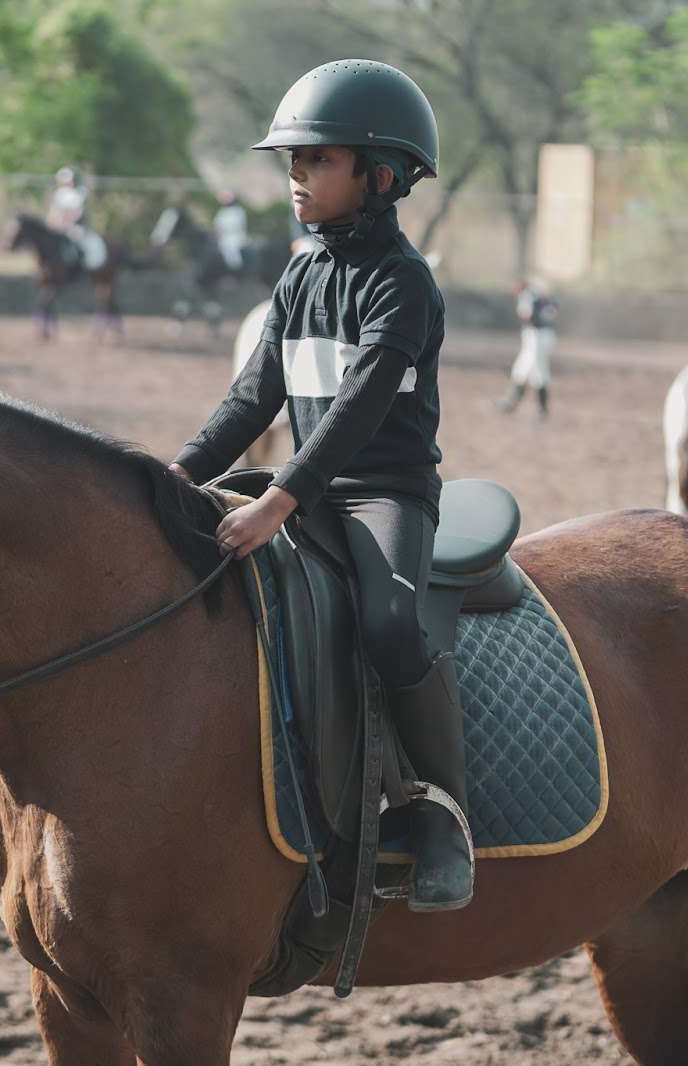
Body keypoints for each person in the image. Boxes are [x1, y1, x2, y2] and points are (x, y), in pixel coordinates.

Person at [168, 59, 471, 912]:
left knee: (387, 620)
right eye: (292, 162)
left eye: (317, 160)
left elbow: (356, 413)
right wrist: (174, 473)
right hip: (303, 484)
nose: (296, 177)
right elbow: (250, 399)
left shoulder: (404, 284)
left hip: (382, 492)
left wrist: (277, 501)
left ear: (379, 177)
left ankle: (443, 815)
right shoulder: (298, 276)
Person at [498, 278, 557, 418]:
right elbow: (553, 311)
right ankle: (512, 403)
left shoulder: (527, 296)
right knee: (522, 369)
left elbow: (526, 314)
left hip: (536, 336)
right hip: (541, 336)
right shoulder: (538, 296)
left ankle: (541, 409)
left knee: (537, 371)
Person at [214, 189, 251, 272]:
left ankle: (235, 269)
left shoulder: (238, 211)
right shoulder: (222, 211)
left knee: (229, 249)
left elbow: (236, 225)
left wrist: (222, 229)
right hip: (222, 237)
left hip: (234, 237)